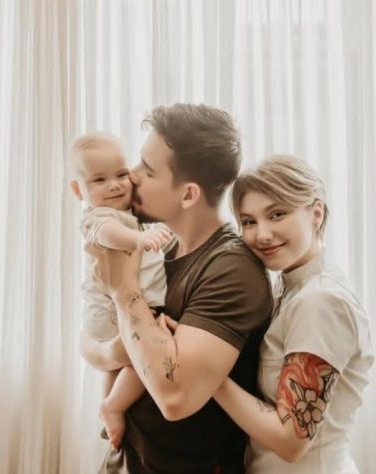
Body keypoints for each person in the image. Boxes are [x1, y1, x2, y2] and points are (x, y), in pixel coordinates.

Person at [80, 104, 273, 473]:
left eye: (147, 170)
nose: (131, 175)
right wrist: (113, 350)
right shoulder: (157, 246)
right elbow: (89, 337)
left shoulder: (232, 271)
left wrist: (123, 292)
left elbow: (175, 397)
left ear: (188, 195)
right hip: (127, 459)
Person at [210, 155, 374, 473]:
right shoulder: (286, 289)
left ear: (316, 213)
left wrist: (206, 375)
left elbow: (290, 440)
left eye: (277, 214)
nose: (262, 234)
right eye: (249, 221)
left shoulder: (320, 301)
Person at [69, 133, 172, 449]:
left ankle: (108, 408)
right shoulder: (100, 217)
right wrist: (137, 239)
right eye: (99, 180)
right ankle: (113, 406)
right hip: (109, 310)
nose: (114, 185)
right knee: (140, 359)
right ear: (79, 190)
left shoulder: (131, 215)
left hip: (114, 308)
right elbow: (107, 233)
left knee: (117, 365)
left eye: (121, 174)